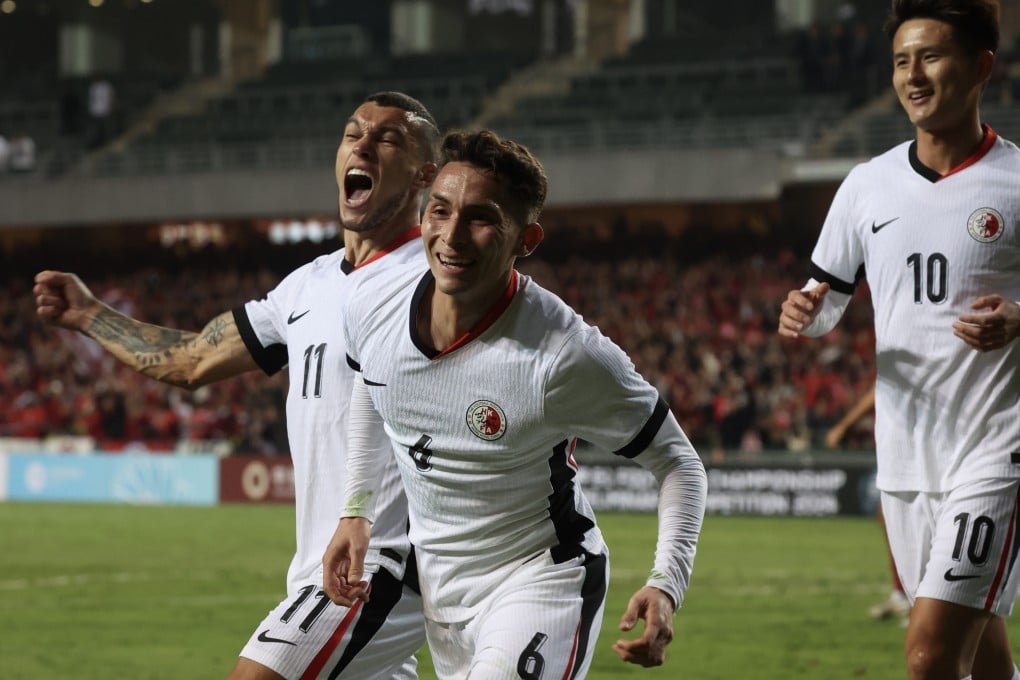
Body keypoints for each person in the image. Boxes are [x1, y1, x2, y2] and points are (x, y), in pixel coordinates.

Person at [33, 91, 441, 680]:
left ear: (425, 174)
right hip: (319, 565)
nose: (363, 146)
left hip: (383, 564)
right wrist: (89, 314)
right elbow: (193, 359)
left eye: (388, 139)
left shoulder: (433, 284)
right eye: (353, 133)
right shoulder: (306, 286)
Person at [322, 129, 708, 678]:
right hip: (442, 591)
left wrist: (667, 583)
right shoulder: (369, 305)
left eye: (481, 218)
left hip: (544, 577)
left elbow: (678, 461)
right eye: (440, 210)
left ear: (525, 240)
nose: (452, 235)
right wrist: (356, 510)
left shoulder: (564, 355)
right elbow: (373, 384)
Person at [778, 1, 1020, 678]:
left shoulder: (1015, 179)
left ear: (981, 67)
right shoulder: (866, 186)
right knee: (984, 655)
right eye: (901, 61)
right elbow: (826, 300)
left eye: (931, 57)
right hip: (907, 457)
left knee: (928, 657)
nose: (912, 75)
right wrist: (805, 311)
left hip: (997, 449)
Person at [825, 381, 911, 625]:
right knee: (888, 516)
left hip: (916, 445)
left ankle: (921, 600)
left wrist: (843, 426)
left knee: (908, 519)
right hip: (901, 444)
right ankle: (903, 593)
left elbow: (881, 387)